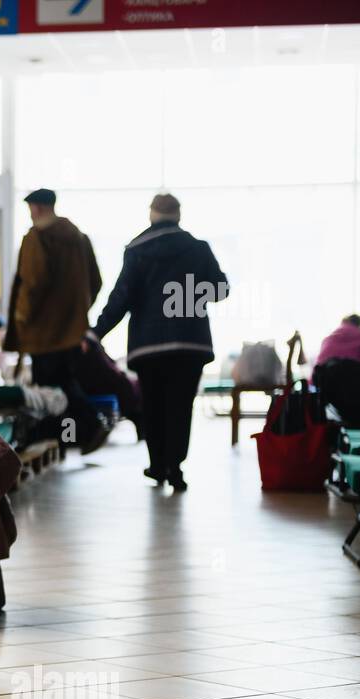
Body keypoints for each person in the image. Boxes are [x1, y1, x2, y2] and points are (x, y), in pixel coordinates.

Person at [91, 193, 227, 491]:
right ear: (178, 215)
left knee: (153, 405)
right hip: (191, 343)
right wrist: (191, 294)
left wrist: (96, 332)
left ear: (151, 214)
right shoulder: (198, 249)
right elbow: (220, 289)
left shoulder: (137, 249)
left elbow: (121, 298)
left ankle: (157, 465)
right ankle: (176, 467)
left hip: (148, 345)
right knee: (180, 406)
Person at [4, 188, 106, 452]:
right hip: (73, 332)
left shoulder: (37, 238)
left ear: (36, 208)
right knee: (66, 383)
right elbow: (96, 282)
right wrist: (76, 313)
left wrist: (22, 318)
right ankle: (66, 438)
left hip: (43, 334)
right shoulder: (79, 238)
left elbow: (33, 284)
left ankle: (91, 426)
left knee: (54, 391)